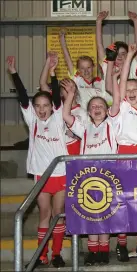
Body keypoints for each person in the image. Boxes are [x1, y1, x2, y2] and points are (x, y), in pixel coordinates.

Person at [8, 56, 67, 269]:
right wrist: (14, 72)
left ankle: (57, 254)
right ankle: (41, 254)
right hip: (42, 175)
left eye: (45, 106)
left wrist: (53, 73)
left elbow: (57, 96)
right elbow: (23, 97)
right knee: (44, 213)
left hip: (60, 173)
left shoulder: (57, 118)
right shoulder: (32, 120)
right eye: (38, 106)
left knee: (58, 215)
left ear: (52, 107)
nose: (42, 110)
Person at [62, 59, 118, 265]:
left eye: (100, 106)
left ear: (107, 110)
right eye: (93, 106)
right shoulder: (84, 127)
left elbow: (116, 104)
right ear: (88, 111)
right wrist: (69, 96)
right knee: (90, 215)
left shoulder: (112, 125)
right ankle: (92, 252)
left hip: (108, 176)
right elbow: (66, 115)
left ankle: (103, 251)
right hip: (87, 178)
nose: (96, 109)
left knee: (105, 216)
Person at [107, 43, 137, 263]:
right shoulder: (121, 108)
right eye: (129, 91)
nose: (132, 93)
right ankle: (122, 244)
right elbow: (123, 82)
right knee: (124, 204)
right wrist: (131, 56)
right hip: (124, 158)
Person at [96, 10, 137, 80]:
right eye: (116, 54)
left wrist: (136, 21)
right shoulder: (107, 67)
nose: (119, 56)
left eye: (123, 54)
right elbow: (99, 45)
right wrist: (98, 21)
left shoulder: (132, 67)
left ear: (128, 55)